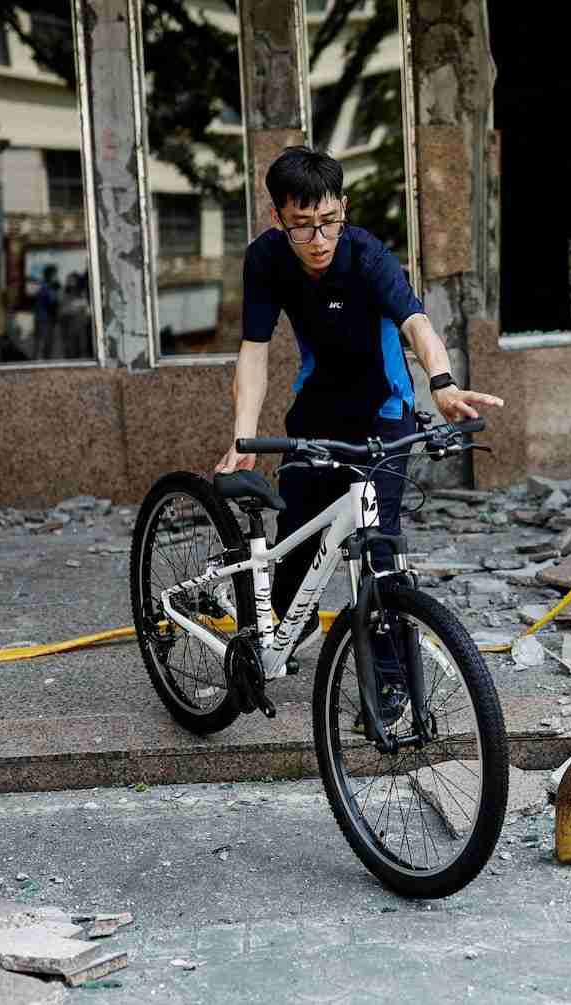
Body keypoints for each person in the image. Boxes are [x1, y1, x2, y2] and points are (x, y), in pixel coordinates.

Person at [214, 146, 502, 710]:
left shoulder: (368, 255)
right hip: (317, 413)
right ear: (278, 218)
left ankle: (391, 678)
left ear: (343, 207)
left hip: (384, 414)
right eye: (302, 227)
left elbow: (417, 324)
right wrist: (243, 437)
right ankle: (283, 629)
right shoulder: (266, 260)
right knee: (296, 537)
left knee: (378, 547)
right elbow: (254, 351)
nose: (319, 239)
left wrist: (441, 384)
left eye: (329, 222)